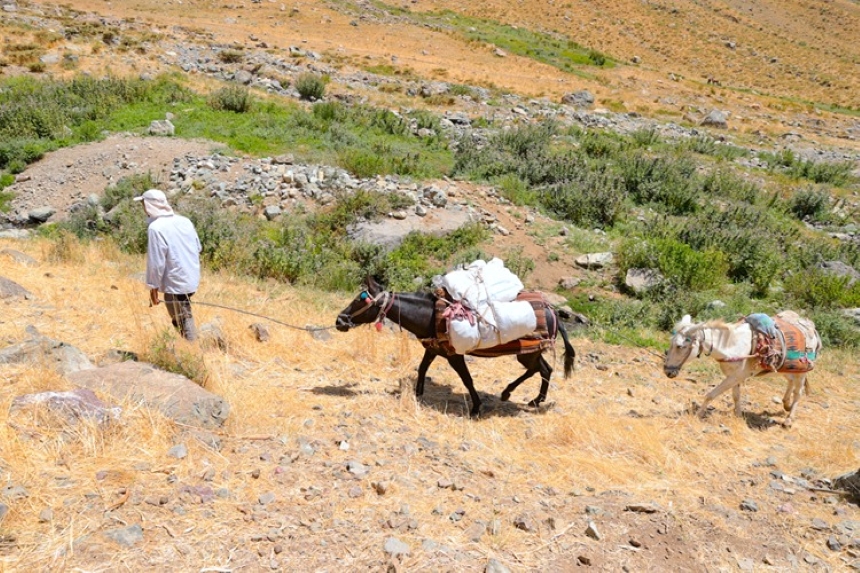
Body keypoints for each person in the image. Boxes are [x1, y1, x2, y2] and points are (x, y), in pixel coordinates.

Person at [135, 189, 202, 341]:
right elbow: (198, 247)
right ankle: (188, 346)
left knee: (182, 316)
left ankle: (193, 350)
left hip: (176, 281)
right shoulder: (184, 221)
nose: (143, 208)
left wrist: (153, 287)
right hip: (191, 276)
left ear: (149, 205)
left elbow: (156, 262)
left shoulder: (156, 228)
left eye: (143, 204)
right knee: (182, 311)